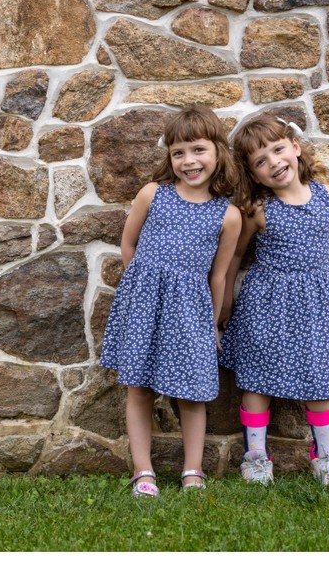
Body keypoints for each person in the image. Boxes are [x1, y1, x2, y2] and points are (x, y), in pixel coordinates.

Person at [218, 114, 329, 486]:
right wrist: (223, 307)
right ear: (253, 174)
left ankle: (327, 456)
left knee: (318, 380)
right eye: (261, 161)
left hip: (312, 306)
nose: (274, 163)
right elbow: (235, 258)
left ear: (296, 148)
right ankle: (256, 458)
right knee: (257, 382)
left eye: (278, 150)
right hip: (264, 305)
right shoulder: (257, 210)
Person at [101, 105, 242, 497]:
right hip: (143, 306)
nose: (188, 161)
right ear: (170, 157)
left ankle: (192, 471)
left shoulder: (228, 216)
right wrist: (139, 289)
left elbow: (218, 275)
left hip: (190, 312)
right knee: (139, 389)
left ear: (218, 152)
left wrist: (212, 324)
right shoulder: (153, 195)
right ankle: (142, 470)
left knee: (191, 392)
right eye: (178, 153)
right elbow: (128, 244)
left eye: (198, 150)